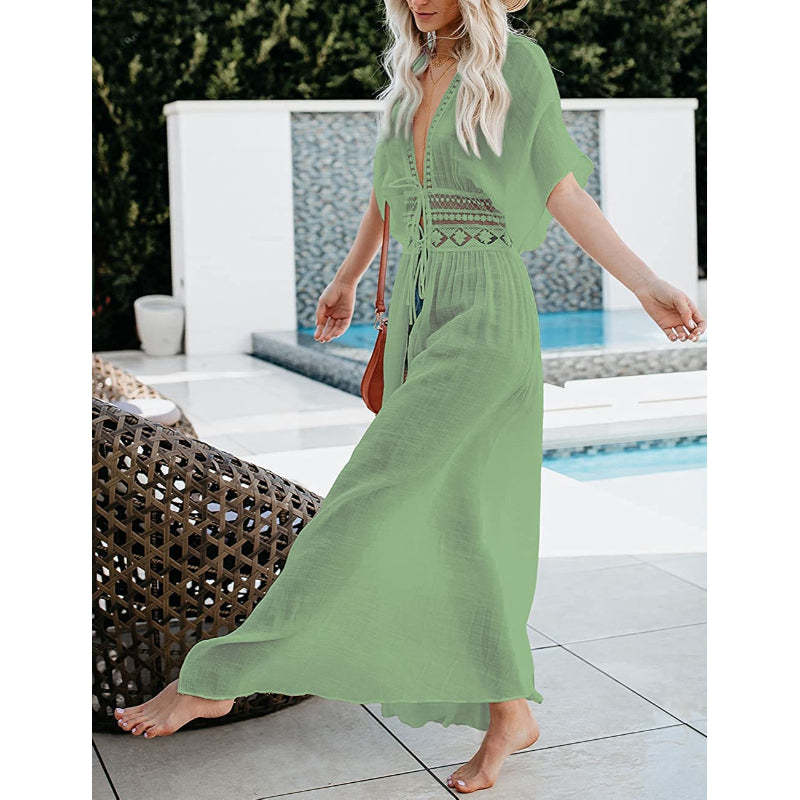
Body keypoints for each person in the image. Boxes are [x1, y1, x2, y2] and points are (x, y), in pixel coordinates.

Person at [114, 1, 706, 794]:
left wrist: (646, 284)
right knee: (455, 523)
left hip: (487, 314)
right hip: (419, 314)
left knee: (369, 494)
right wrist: (347, 278)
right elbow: (388, 199)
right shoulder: (410, 75)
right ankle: (509, 712)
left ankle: (220, 676)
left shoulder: (517, 68)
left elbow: (562, 190)